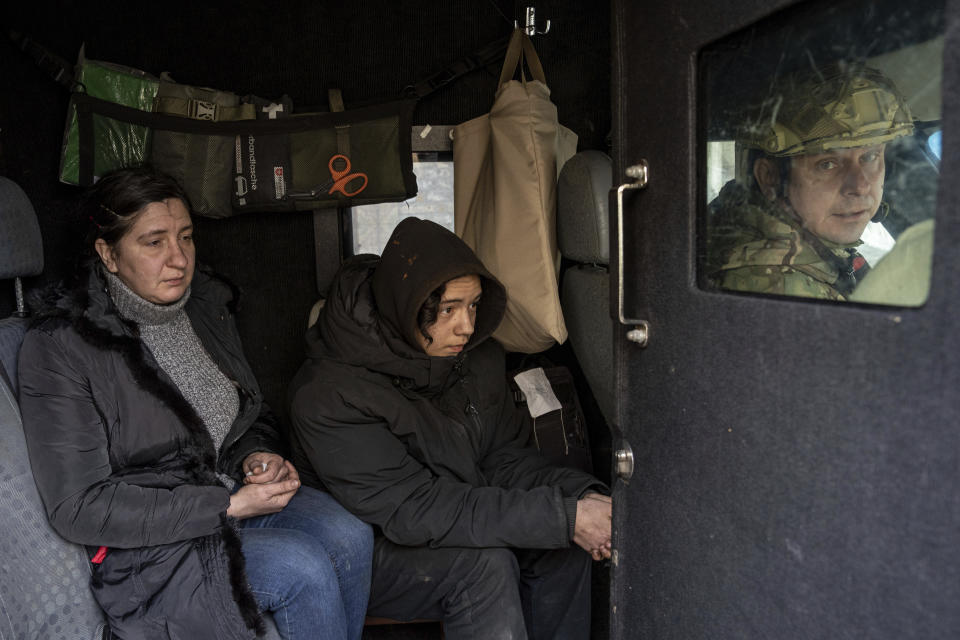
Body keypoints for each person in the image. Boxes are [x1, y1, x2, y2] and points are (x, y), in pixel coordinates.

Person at [17, 166, 373, 640]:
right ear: (108, 253)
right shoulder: (62, 345)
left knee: (352, 535)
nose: (178, 258)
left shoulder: (202, 306)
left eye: (186, 237)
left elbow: (245, 415)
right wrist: (225, 505)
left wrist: (255, 456)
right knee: (302, 569)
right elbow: (79, 506)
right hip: (154, 546)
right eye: (154, 242)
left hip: (228, 497)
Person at [288, 216, 612, 640]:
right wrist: (562, 516)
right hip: (369, 548)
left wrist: (579, 498)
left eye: (474, 305)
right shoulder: (328, 395)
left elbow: (502, 460)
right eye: (448, 309)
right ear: (406, 306)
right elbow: (416, 508)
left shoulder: (472, 358)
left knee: (561, 545)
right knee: (484, 566)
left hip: (443, 512)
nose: (467, 326)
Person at [707, 63, 916, 300]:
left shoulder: (811, 248)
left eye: (869, 157)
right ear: (770, 178)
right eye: (827, 164)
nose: (860, 186)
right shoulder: (779, 287)